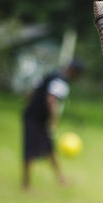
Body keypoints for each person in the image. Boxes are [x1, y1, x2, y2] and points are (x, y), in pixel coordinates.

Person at [22, 60, 83, 190]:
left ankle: (61, 178)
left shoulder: (51, 74)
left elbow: (32, 91)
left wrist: (29, 103)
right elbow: (51, 100)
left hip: (33, 115)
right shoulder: (62, 81)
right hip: (36, 118)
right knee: (30, 149)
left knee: (50, 148)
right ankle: (26, 184)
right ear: (74, 72)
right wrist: (53, 121)